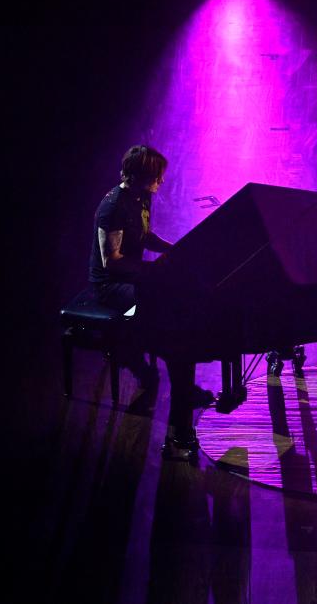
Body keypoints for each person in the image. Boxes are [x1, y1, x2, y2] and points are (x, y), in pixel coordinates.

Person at [90, 144, 212, 450]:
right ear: (141, 175)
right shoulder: (113, 206)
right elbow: (112, 261)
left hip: (133, 275)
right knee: (157, 306)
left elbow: (145, 237)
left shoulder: (142, 197)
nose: (160, 182)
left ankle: (174, 379)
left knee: (173, 298)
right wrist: (149, 270)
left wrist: (174, 250)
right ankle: (140, 360)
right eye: (156, 177)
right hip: (111, 284)